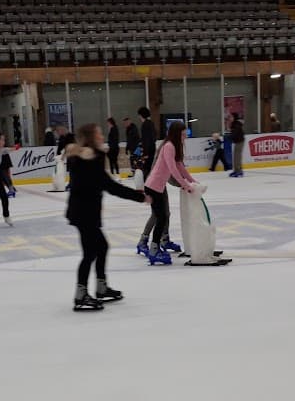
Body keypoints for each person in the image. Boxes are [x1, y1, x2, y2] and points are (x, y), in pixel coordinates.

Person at [66, 123, 149, 311]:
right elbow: (110, 186)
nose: (102, 136)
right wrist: (140, 196)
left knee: (101, 247)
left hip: (84, 212)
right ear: (91, 137)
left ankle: (101, 288)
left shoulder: (82, 158)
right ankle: (81, 295)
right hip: (84, 213)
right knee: (90, 253)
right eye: (99, 134)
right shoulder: (90, 159)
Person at [144, 120, 198, 265]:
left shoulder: (176, 146)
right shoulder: (168, 147)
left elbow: (180, 167)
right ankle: (154, 250)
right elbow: (172, 169)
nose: (185, 136)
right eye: (182, 133)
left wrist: (192, 181)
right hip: (153, 187)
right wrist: (185, 184)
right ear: (176, 133)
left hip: (158, 187)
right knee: (161, 217)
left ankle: (155, 247)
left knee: (162, 217)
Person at [137, 106, 157, 178]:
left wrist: (145, 153)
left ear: (141, 115)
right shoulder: (151, 123)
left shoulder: (145, 125)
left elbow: (146, 140)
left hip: (148, 150)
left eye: (139, 115)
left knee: (146, 169)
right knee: (148, 168)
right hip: (152, 148)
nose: (138, 117)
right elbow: (154, 136)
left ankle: (147, 185)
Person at [229, 113, 245, 178]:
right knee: (235, 156)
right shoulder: (234, 124)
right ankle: (236, 170)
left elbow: (235, 133)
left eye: (231, 117)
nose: (230, 118)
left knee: (237, 157)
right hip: (237, 141)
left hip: (240, 141)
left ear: (234, 117)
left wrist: (230, 136)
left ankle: (239, 171)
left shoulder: (237, 124)